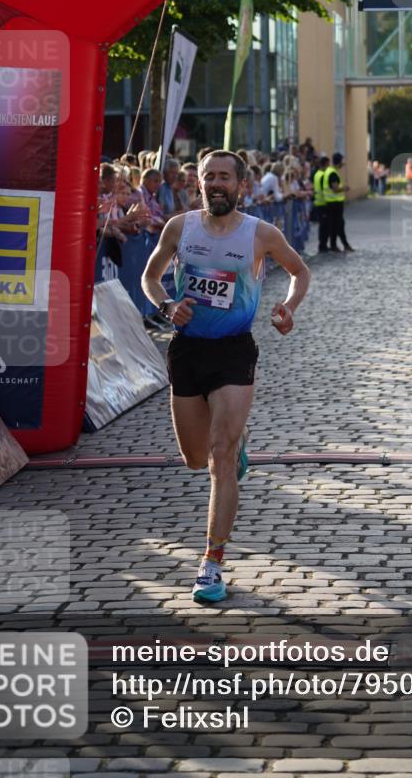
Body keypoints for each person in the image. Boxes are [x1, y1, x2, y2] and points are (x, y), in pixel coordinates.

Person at [141, 150, 310, 603]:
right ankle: (236, 441)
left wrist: (288, 306)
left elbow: (299, 271)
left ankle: (211, 563)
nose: (216, 184)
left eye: (225, 177)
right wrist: (166, 306)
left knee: (220, 455)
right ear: (199, 183)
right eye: (209, 177)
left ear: (241, 185)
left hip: (234, 351)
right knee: (196, 458)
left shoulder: (261, 233)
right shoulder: (179, 227)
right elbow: (150, 278)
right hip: (187, 349)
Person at [324, 152, 354, 252]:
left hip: (331, 203)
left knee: (337, 225)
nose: (343, 164)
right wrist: (344, 188)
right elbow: (335, 188)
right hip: (334, 203)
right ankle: (337, 245)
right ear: (339, 162)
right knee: (337, 225)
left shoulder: (329, 171)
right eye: (342, 162)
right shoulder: (333, 173)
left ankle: (341, 245)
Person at [312, 155, 330, 252]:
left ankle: (322, 244)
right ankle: (323, 245)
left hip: (318, 202)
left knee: (322, 225)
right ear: (326, 164)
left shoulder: (317, 174)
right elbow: (325, 189)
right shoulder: (323, 175)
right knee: (324, 226)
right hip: (323, 203)